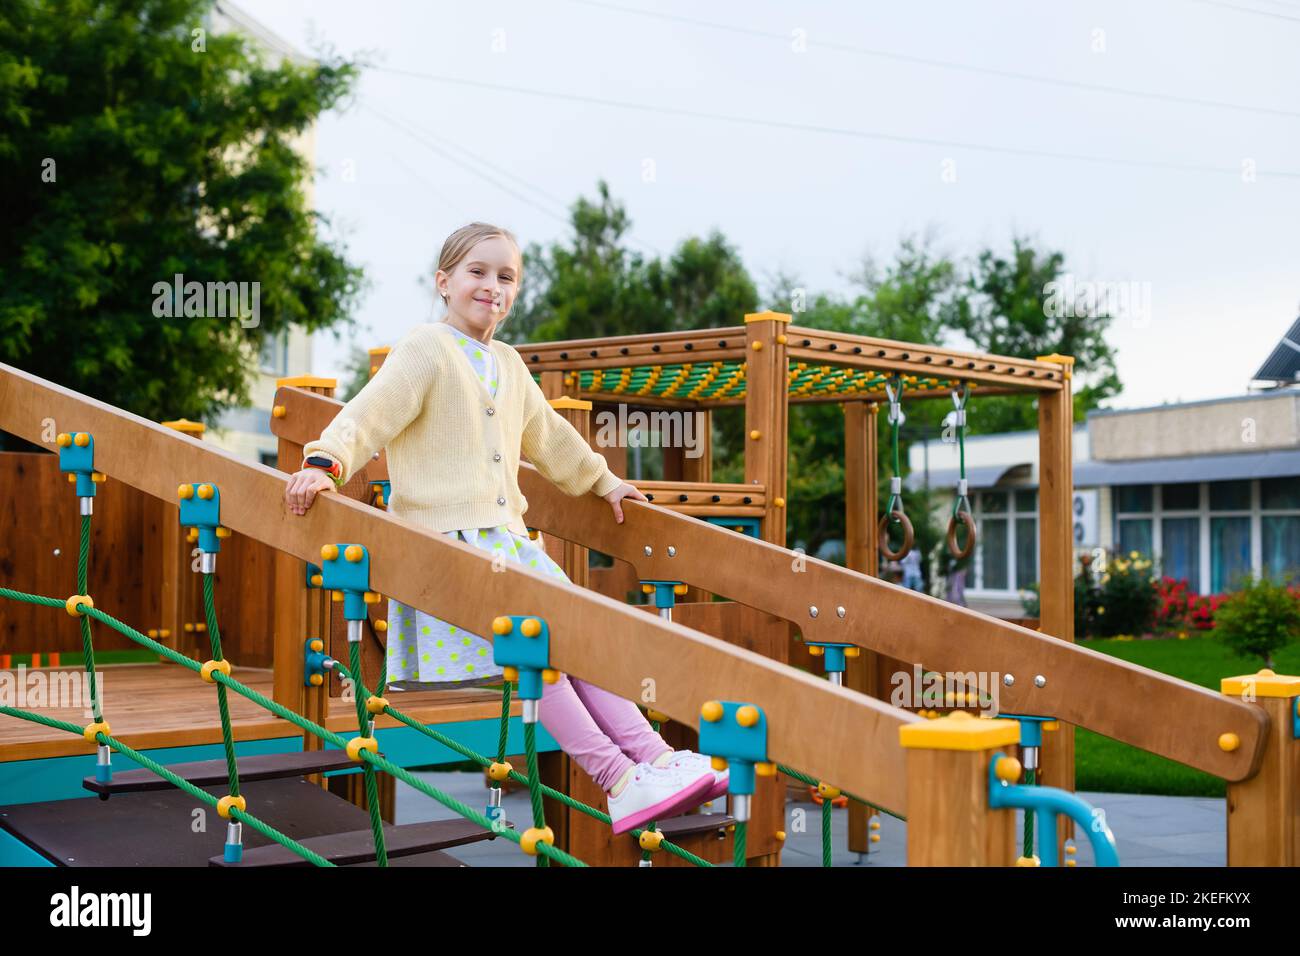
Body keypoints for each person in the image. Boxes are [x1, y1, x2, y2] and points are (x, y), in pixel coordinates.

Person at [283, 222, 724, 834]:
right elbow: (369, 414)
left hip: (510, 541)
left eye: (506, 276)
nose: (492, 285)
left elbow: (550, 438)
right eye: (477, 272)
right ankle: (618, 781)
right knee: (539, 656)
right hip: (450, 545)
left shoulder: (510, 364)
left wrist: (604, 481)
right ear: (444, 283)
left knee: (580, 641)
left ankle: (654, 759)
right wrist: (323, 463)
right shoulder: (425, 349)